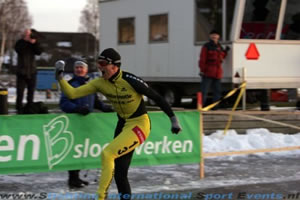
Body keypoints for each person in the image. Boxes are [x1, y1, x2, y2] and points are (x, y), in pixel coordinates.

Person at [55, 48, 182, 200]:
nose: (99, 67)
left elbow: (158, 98)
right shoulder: (99, 83)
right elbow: (72, 93)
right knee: (120, 174)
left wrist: (173, 120)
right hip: (123, 124)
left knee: (107, 154)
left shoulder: (130, 80)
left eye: (102, 63)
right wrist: (60, 78)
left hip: (139, 124)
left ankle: (101, 197)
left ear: (114, 66)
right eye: (98, 63)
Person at [59, 60, 113, 189]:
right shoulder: (70, 84)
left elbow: (96, 102)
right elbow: (64, 103)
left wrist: (106, 108)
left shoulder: (91, 85)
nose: (79, 70)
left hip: (87, 125)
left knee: (82, 151)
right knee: (74, 152)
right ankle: (72, 178)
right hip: (74, 123)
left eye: (81, 68)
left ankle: (77, 177)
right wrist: (76, 108)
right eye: (77, 67)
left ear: (86, 70)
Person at [14, 28, 43, 114]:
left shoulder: (34, 42)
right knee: (20, 92)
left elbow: (39, 52)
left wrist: (33, 43)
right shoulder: (20, 42)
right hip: (21, 72)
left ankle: (29, 109)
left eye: (29, 33)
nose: (28, 35)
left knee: (31, 92)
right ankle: (19, 109)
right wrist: (25, 41)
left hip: (32, 71)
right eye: (26, 33)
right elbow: (18, 50)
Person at [199, 30, 229, 108]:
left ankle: (215, 107)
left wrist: (226, 52)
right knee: (204, 91)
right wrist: (202, 70)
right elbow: (202, 59)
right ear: (210, 36)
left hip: (217, 73)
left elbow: (222, 57)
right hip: (207, 72)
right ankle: (201, 107)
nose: (214, 36)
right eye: (212, 35)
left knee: (217, 92)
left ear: (218, 37)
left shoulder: (219, 46)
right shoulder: (206, 46)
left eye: (216, 35)